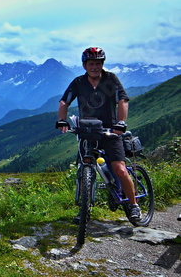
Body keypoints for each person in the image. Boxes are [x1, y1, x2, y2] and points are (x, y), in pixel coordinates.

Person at [55, 47, 141, 221]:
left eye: (98, 63)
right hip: (87, 132)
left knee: (120, 169)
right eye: (91, 63)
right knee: (84, 171)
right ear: (85, 65)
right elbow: (65, 101)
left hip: (110, 132)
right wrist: (62, 120)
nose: (95, 67)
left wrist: (121, 123)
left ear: (103, 64)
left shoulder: (111, 79)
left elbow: (122, 100)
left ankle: (134, 206)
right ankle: (84, 211)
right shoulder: (78, 82)